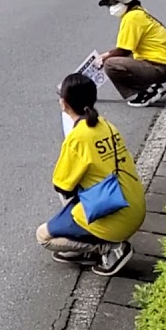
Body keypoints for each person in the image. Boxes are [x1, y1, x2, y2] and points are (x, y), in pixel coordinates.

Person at [36, 74, 144, 276]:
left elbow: (62, 186)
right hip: (134, 205)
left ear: (64, 103)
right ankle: (93, 242)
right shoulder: (106, 125)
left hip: (114, 214)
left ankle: (107, 248)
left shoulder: (77, 137)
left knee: (44, 236)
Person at [96, 0, 166, 107]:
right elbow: (128, 47)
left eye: (114, 3)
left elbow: (124, 50)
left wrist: (104, 58)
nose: (111, 7)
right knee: (117, 59)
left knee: (111, 64)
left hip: (160, 66)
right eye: (109, 5)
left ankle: (149, 90)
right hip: (165, 64)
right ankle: (151, 87)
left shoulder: (132, 17)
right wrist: (107, 55)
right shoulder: (139, 12)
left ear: (126, 1)